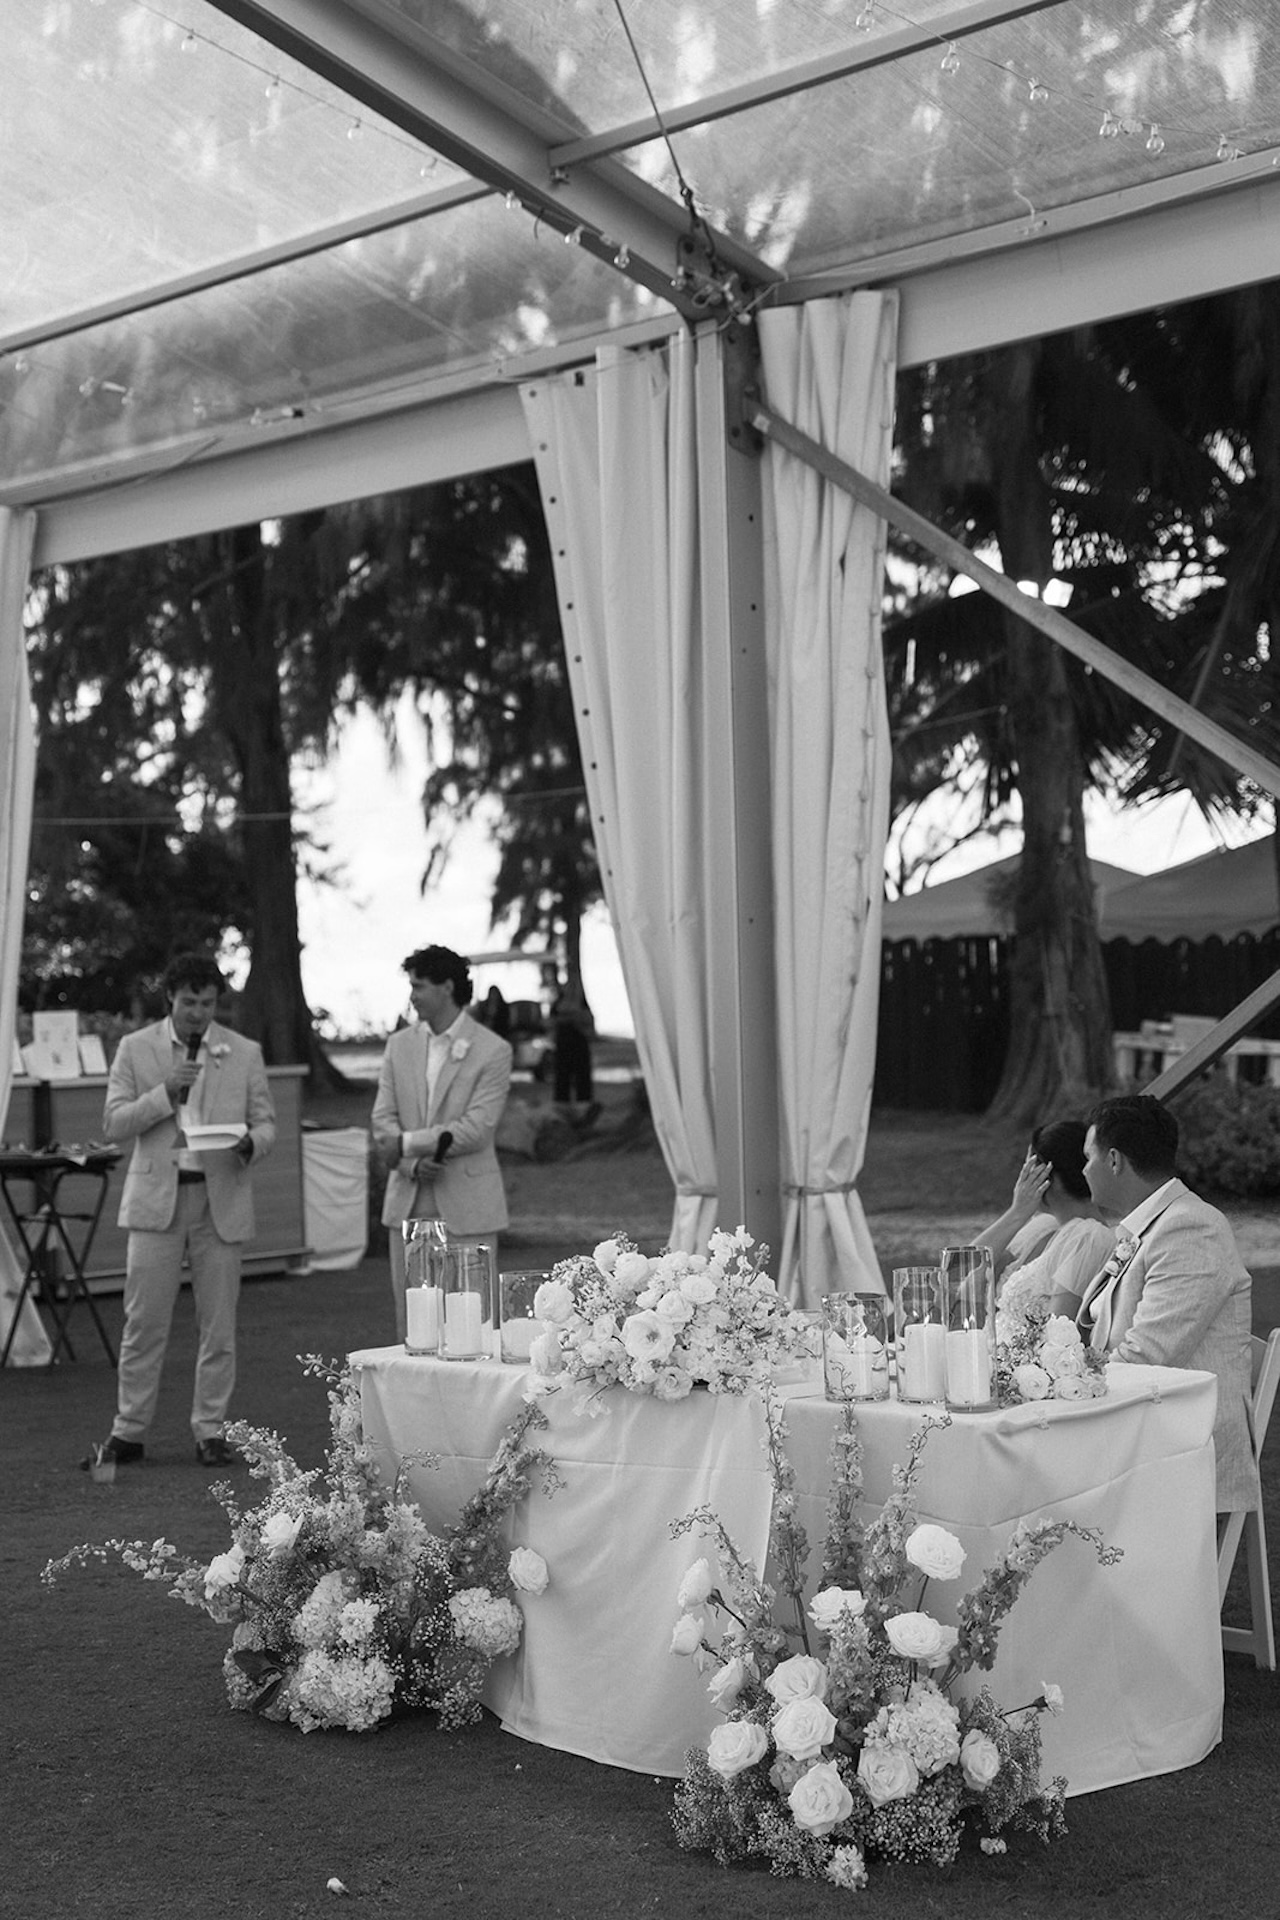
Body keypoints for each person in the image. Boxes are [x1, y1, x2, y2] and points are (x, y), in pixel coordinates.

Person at [84, 952, 276, 1469]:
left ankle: (211, 1431)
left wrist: (248, 1146)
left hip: (221, 1197)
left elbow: (266, 1125)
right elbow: (115, 1124)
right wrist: (165, 1092)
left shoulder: (243, 1051)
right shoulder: (136, 1047)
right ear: (169, 997)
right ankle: (129, 1431)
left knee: (219, 1324)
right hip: (156, 1200)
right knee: (143, 1323)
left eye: (208, 1002)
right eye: (189, 1001)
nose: (197, 1012)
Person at [1077, 1092, 1256, 1517]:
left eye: (1088, 1157)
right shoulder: (1149, 1226)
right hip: (1137, 1423)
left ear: (1115, 1160)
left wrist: (1068, 1390)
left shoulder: (1191, 1228)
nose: (1083, 1170)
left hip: (1182, 1444)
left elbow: (1148, 1357)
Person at [372, 945, 512, 1342]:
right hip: (410, 1200)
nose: (412, 995)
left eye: (419, 985)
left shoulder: (492, 1049)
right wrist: (410, 1163)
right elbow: (382, 1123)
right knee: (413, 1329)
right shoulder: (398, 1046)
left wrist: (407, 1142)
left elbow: (477, 1128)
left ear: (447, 986)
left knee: (474, 1325)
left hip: (468, 1203)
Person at [978, 1119, 1116, 1324]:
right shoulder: (1043, 1226)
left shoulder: (1087, 1238)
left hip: (1029, 1353)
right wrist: (1017, 1213)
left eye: (1030, 1167)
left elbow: (1059, 1331)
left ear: (1046, 1175)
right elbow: (966, 1274)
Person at [551, 970, 595, 1107]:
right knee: (563, 1074)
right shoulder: (558, 1004)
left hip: (578, 1043)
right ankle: (563, 1102)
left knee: (581, 1074)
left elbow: (588, 1021)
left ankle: (583, 1102)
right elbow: (551, 1022)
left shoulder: (580, 1004)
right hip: (564, 1044)